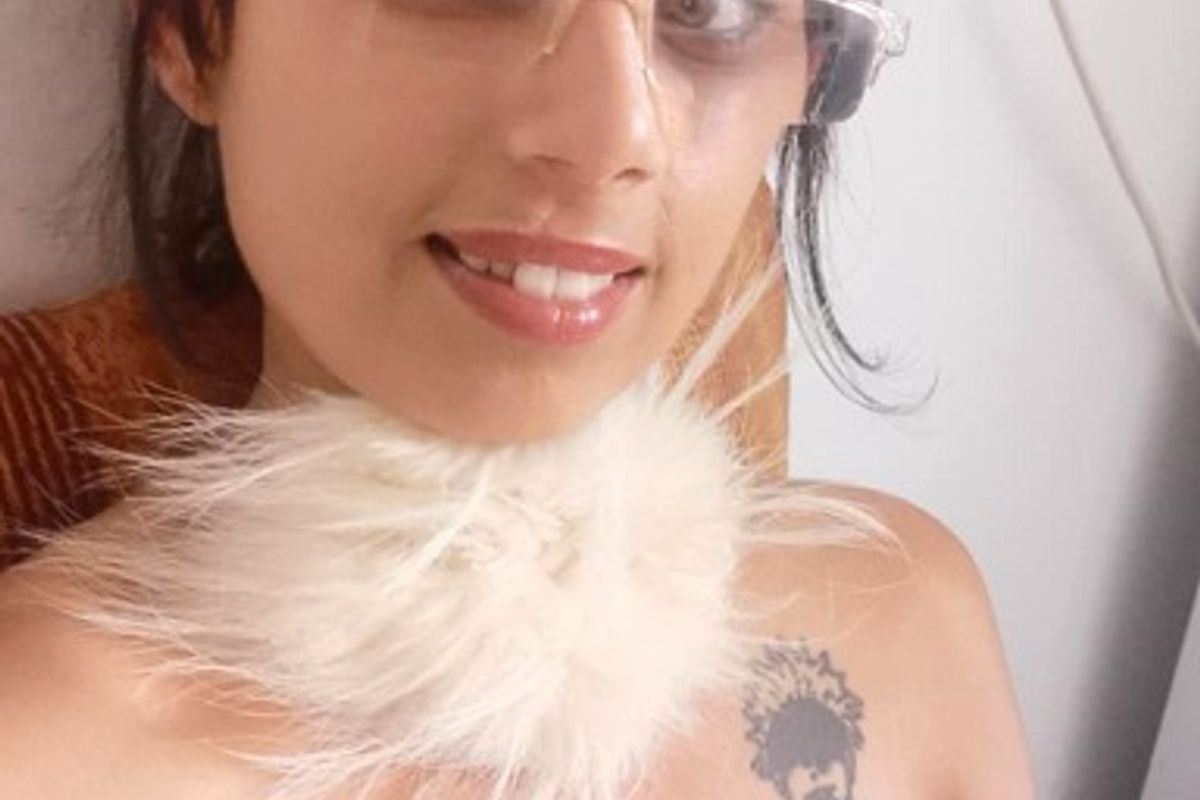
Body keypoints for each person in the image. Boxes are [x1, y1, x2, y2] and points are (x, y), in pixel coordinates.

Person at [0, 1, 1036, 798]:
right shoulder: (42, 749)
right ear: (192, 32)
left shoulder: (909, 629)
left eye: (711, 7)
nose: (615, 134)